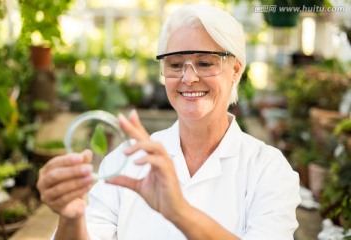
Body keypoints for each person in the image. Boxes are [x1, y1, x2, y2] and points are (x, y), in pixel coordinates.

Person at [37, 3, 301, 240]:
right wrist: (70, 218)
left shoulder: (268, 170)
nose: (188, 78)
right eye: (175, 64)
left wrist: (178, 211)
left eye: (205, 62)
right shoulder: (125, 163)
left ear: (236, 70)